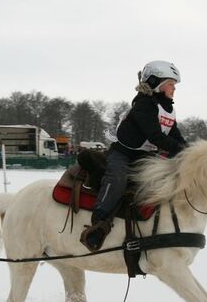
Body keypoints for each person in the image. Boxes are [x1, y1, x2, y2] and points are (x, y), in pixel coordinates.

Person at [80, 60, 187, 252]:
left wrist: (189, 151)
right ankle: (99, 221)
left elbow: (174, 135)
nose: (174, 88)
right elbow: (155, 136)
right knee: (118, 178)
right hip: (123, 153)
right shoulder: (144, 105)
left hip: (145, 157)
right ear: (157, 83)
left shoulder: (168, 109)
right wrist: (180, 151)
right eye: (171, 83)